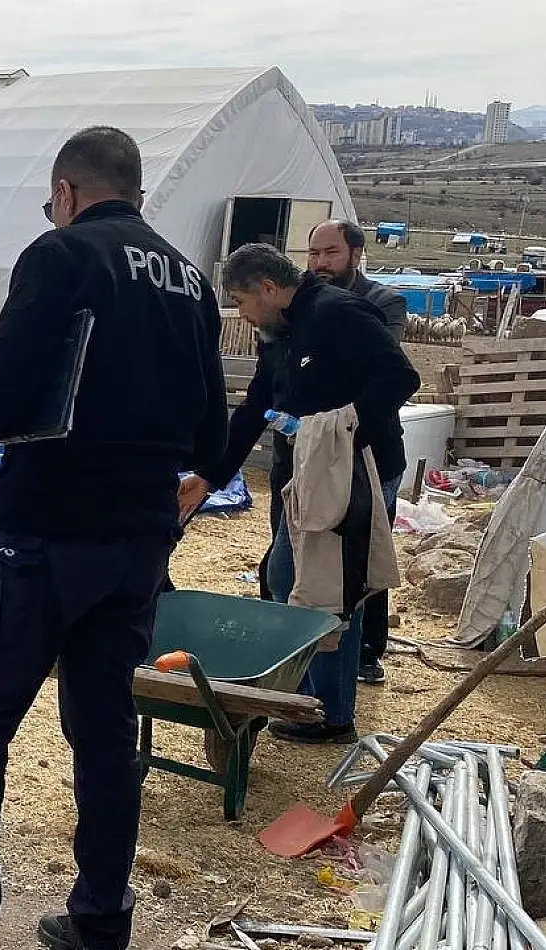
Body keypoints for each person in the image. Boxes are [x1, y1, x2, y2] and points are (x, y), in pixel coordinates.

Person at [0, 126, 228, 950]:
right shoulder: (190, 282)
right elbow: (212, 427)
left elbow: (4, 394)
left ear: (68, 192)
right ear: (135, 191)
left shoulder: (63, 255)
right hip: (137, 543)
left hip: (42, 533)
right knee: (104, 734)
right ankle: (101, 917)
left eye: (51, 200)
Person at [178, 244, 418, 745]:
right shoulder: (279, 332)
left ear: (268, 287)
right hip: (304, 477)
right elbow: (255, 406)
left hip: (349, 472)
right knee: (291, 578)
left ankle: (330, 712)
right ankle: (310, 696)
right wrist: (209, 474)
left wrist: (342, 434)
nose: (242, 313)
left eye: (242, 301)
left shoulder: (337, 314)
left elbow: (399, 377)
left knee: (331, 587)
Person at [307, 220, 408, 685]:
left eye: (330, 253)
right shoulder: (307, 303)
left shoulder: (384, 303)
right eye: (313, 254)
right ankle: (317, 647)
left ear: (355, 253)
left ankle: (368, 648)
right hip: (319, 454)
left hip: (371, 451)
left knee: (367, 554)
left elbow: (382, 374)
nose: (320, 264)